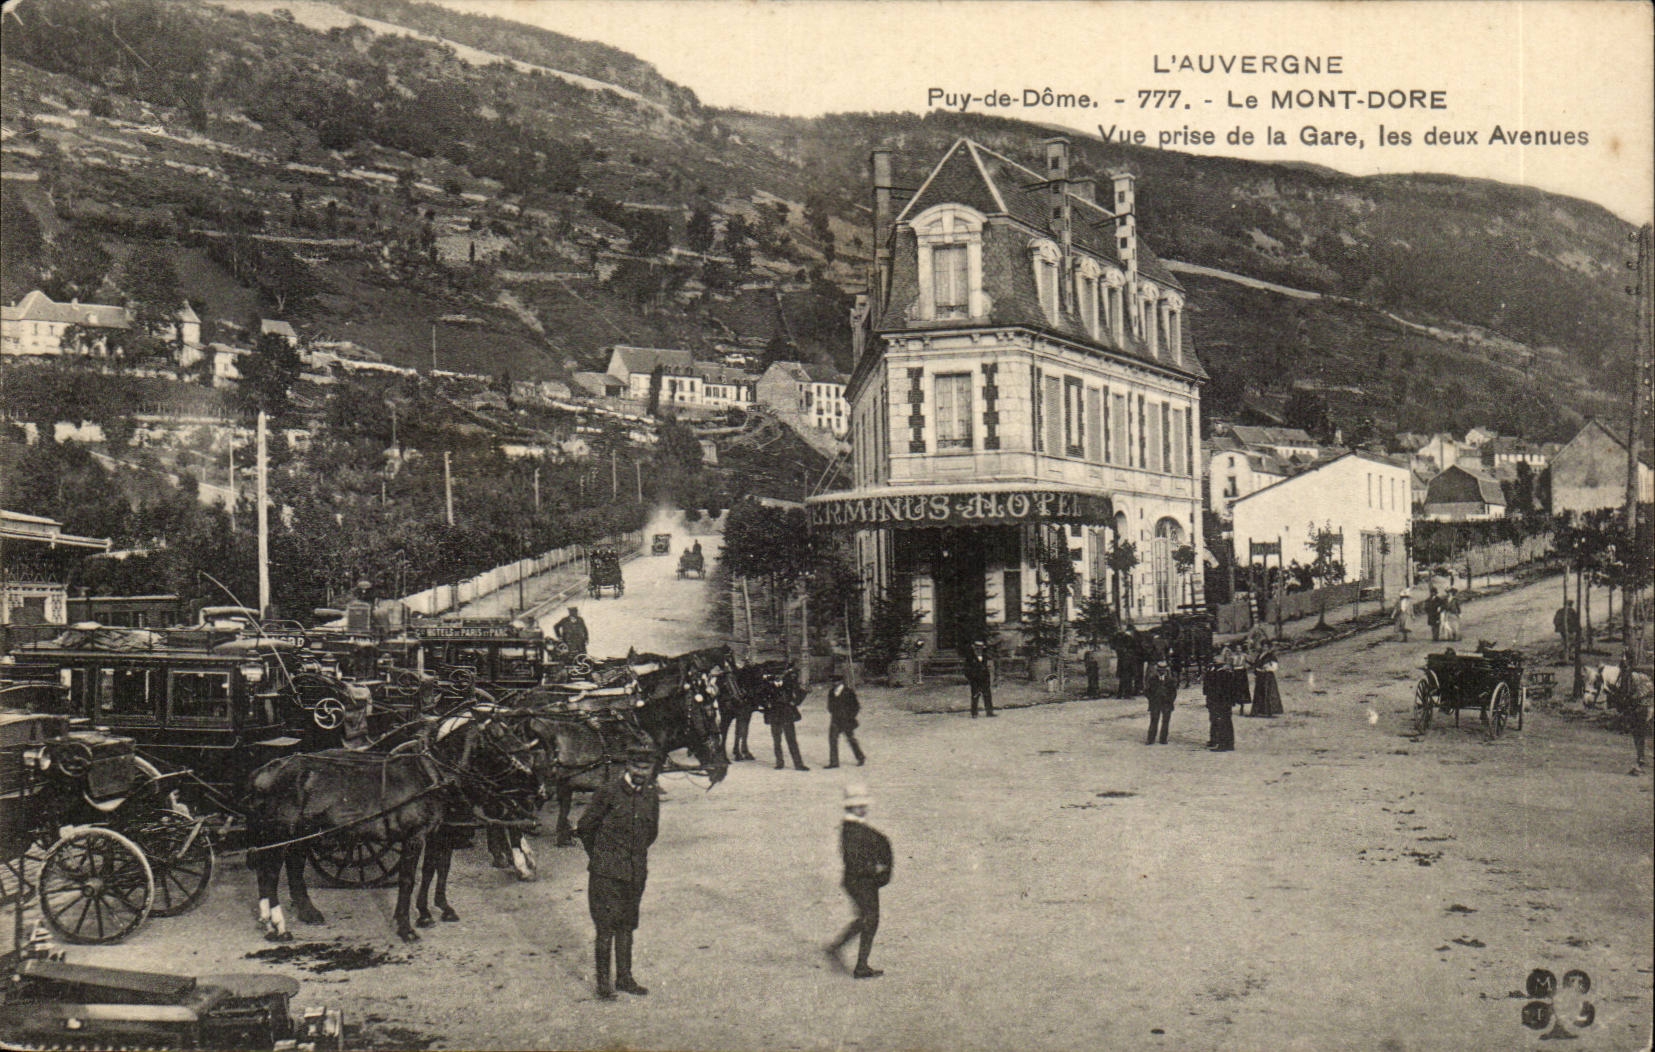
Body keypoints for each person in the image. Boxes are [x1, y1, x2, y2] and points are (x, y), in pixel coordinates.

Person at [575, 742, 660, 1000]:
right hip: (606, 874)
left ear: (652, 769)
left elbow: (651, 832)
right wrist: (601, 858)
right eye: (636, 766)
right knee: (605, 927)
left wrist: (633, 857)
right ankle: (604, 983)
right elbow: (585, 827)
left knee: (627, 926)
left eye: (646, 768)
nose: (640, 773)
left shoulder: (651, 794)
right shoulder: (608, 792)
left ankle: (625, 978)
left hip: (635, 872)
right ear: (627, 765)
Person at [825, 783, 892, 979]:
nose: (862, 808)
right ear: (849, 808)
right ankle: (859, 964)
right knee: (870, 919)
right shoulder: (852, 830)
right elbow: (853, 860)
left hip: (859, 880)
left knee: (867, 919)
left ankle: (840, 949)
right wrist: (876, 868)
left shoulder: (854, 827)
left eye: (863, 805)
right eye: (858, 806)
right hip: (860, 881)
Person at [763, 677, 810, 770]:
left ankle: (798, 764)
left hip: (787, 717)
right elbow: (761, 698)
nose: (777, 677)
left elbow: (801, 694)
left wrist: (794, 702)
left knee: (792, 741)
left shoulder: (790, 685)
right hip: (775, 717)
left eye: (779, 674)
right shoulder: (767, 688)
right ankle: (779, 763)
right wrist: (766, 704)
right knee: (777, 741)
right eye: (775, 675)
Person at [824, 670, 865, 768]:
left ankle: (860, 757)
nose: (834, 683)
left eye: (836, 681)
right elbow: (830, 705)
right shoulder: (831, 692)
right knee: (832, 739)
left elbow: (856, 706)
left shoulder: (848, 692)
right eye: (832, 681)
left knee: (850, 739)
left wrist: (850, 716)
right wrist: (832, 711)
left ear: (841, 682)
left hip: (846, 720)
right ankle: (834, 762)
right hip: (835, 719)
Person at [1144, 657, 1177, 744]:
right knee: (1154, 721)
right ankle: (1150, 739)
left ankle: (1163, 739)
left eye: (1163, 670)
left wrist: (1170, 700)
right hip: (1155, 703)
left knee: (1165, 721)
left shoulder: (1170, 680)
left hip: (1167, 703)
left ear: (1166, 670)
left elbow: (1174, 692)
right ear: (1157, 670)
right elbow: (1147, 691)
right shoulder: (1152, 679)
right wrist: (1152, 699)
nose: (1161, 671)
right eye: (1160, 670)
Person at [961, 639, 995, 717]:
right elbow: (966, 669)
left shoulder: (985, 656)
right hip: (975, 680)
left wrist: (988, 677)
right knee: (975, 695)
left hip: (984, 679)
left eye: (981, 647)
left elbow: (987, 668)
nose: (979, 649)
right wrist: (971, 678)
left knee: (987, 695)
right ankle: (974, 713)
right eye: (977, 648)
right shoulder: (970, 658)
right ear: (974, 648)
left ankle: (989, 712)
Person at [1250, 647, 1283, 717]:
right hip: (1260, 676)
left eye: (1266, 646)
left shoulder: (1271, 656)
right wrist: (1256, 670)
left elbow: (1275, 667)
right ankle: (1259, 711)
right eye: (1263, 646)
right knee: (1259, 693)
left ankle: (1270, 712)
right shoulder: (1259, 656)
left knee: (1268, 692)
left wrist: (1267, 668)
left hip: (1268, 676)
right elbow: (1256, 665)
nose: (1264, 648)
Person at [1112, 625, 1141, 698]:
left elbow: (1116, 648)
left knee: (1123, 677)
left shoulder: (1117, 638)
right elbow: (1134, 647)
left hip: (1122, 660)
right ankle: (1127, 694)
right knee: (1128, 677)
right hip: (1128, 660)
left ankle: (1120, 693)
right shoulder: (1128, 638)